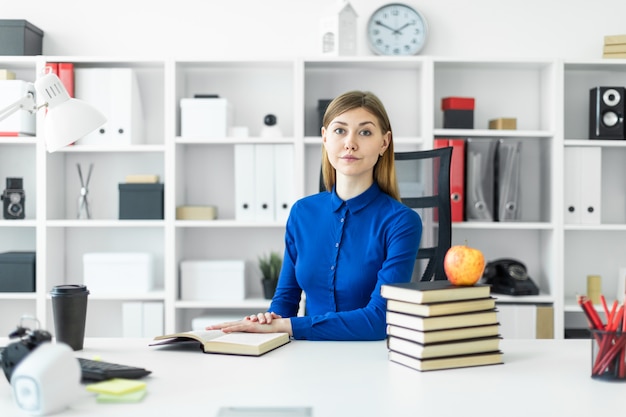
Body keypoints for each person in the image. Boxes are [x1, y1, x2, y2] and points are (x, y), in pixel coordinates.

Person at [207, 90, 422, 340]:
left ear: (384, 143)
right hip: (305, 355)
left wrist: (289, 326)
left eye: (365, 132)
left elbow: (377, 320)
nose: (350, 143)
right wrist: (269, 320)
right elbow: (285, 301)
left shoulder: (401, 222)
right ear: (325, 137)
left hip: (369, 359)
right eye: (340, 130)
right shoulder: (302, 212)